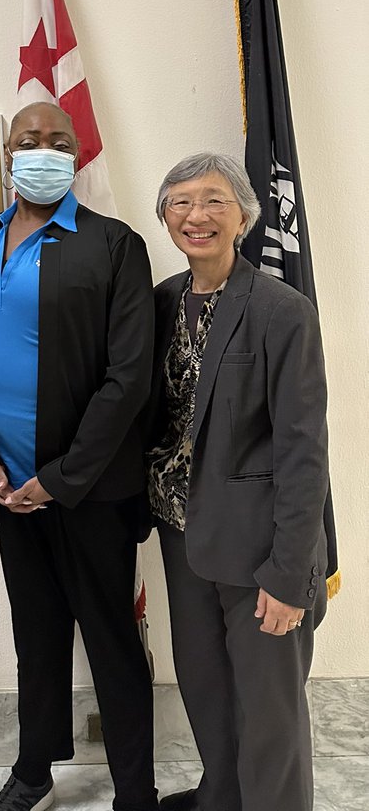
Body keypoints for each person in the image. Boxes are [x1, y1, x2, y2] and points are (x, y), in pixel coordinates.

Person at [0, 101, 158, 811]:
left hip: (88, 492)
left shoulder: (115, 245)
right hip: (8, 490)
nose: (43, 151)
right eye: (28, 141)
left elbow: (129, 378)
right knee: (34, 638)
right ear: (7, 154)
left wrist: (58, 480)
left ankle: (135, 791)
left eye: (57, 142)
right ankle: (34, 770)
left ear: (76, 155)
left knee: (110, 643)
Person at [147, 153, 332, 811]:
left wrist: (288, 576)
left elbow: (304, 453)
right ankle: (220, 800)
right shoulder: (161, 302)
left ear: (245, 216)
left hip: (260, 555)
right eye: (181, 202)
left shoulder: (283, 311)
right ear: (165, 216)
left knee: (270, 719)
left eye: (214, 200)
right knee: (207, 697)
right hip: (183, 539)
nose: (197, 215)